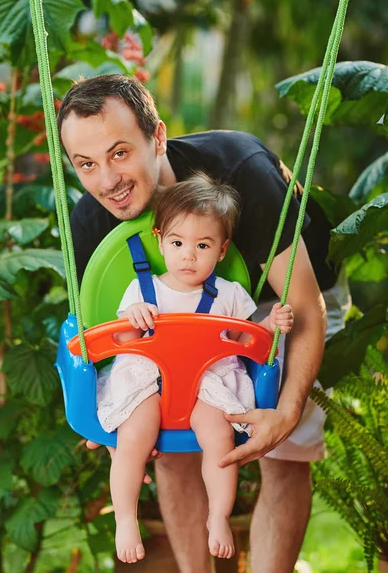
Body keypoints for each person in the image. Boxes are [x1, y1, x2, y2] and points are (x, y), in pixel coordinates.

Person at [58, 74, 350, 573]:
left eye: (120, 153)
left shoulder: (241, 173)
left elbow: (302, 307)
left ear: (158, 137)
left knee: (280, 455)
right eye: (87, 164)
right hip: (166, 309)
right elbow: (115, 347)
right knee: (168, 448)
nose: (108, 180)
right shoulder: (91, 223)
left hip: (278, 298)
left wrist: (285, 411)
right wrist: (115, 421)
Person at [96, 174, 294, 563]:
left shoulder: (230, 295)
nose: (189, 255)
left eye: (202, 245)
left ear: (221, 251)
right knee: (132, 440)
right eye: (177, 243)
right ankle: (125, 517)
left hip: (209, 381)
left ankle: (217, 516)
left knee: (219, 438)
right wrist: (135, 317)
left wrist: (271, 326)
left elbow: (247, 344)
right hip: (147, 380)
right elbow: (120, 344)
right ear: (159, 241)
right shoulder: (143, 289)